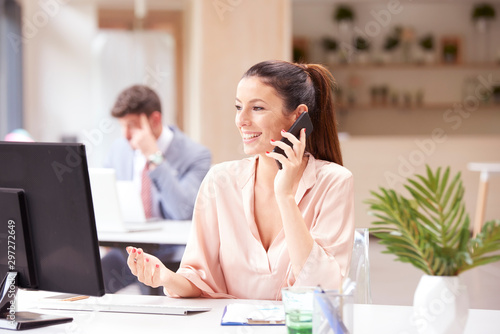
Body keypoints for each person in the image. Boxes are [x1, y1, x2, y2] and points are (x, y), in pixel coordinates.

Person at [126, 60, 354, 300]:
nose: (241, 120)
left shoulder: (334, 182)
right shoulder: (220, 180)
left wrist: (286, 197)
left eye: (257, 108)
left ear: (298, 116)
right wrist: (165, 277)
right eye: (238, 107)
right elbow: (199, 278)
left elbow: (322, 289)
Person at [101, 84, 211, 294]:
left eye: (132, 126)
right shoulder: (119, 150)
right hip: (128, 252)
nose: (125, 135)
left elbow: (182, 211)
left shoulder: (196, 155)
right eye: (122, 126)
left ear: (155, 120)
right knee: (90, 280)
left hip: (171, 257)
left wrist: (154, 156)